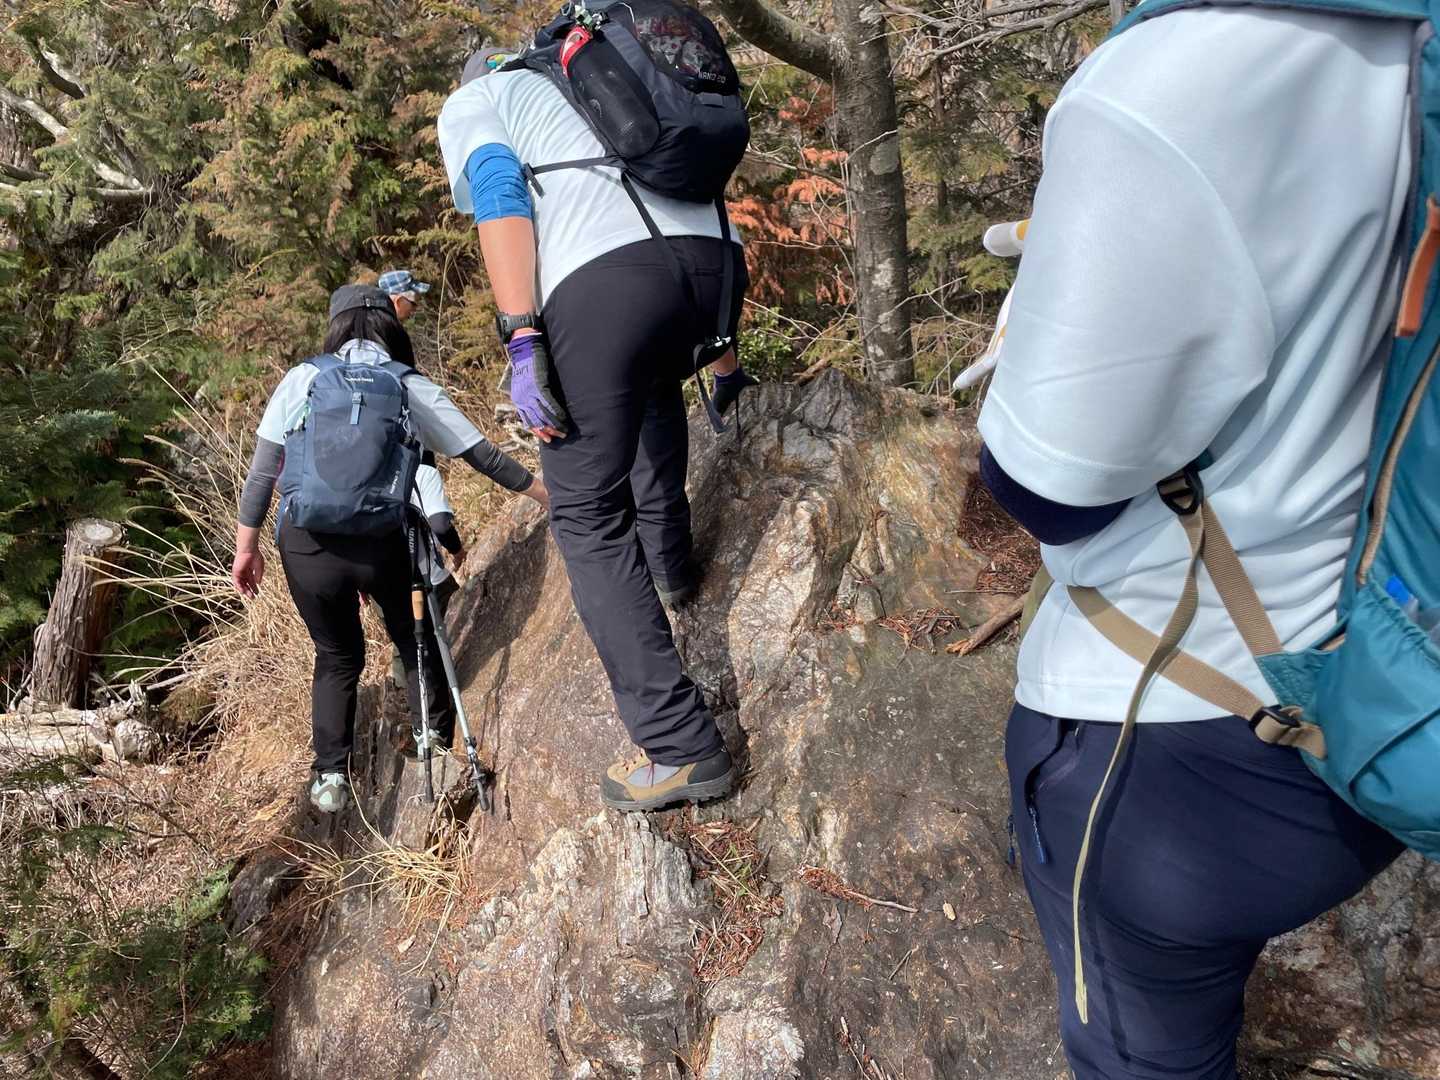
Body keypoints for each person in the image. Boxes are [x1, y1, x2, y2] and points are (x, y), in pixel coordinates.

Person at [976, 9, 1411, 1078]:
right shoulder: (1414, 47)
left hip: (1184, 749)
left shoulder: (1163, 89)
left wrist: (1034, 315)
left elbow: (1047, 491)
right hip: (1391, 686)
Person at [435, 42, 751, 812]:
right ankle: (672, 570)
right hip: (716, 264)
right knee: (646, 386)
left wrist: (521, 336)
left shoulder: (479, 98)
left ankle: (681, 747)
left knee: (585, 513)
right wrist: (725, 364)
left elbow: (498, 188)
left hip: (609, 285)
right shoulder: (597, 81)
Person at [231, 284, 548, 814]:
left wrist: (247, 549)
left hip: (308, 543)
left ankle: (330, 776)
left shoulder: (303, 377)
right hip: (383, 539)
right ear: (391, 328)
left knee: (337, 655)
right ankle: (431, 737)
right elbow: (482, 455)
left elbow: (263, 473)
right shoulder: (406, 382)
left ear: (335, 327)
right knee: (410, 638)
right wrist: (547, 495)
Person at [388, 460, 465, 689]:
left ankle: (405, 696)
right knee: (454, 611)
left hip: (384, 583)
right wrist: (456, 550)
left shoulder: (356, 481)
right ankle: (441, 694)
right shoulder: (421, 473)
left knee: (407, 645)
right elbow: (440, 525)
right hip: (430, 577)